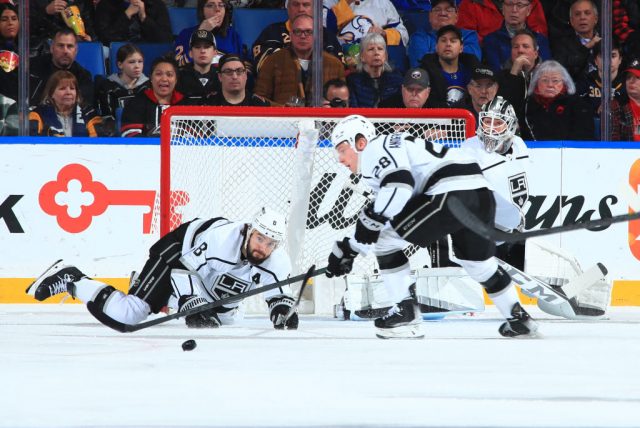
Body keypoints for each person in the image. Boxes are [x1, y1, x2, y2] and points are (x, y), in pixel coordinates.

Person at [326, 114, 538, 339]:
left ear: (360, 142)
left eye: (341, 148)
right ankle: (518, 317)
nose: (340, 158)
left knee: (384, 241)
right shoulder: (393, 149)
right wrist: (349, 247)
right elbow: (392, 208)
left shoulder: (374, 149)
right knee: (478, 263)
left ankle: (405, 315)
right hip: (480, 193)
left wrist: (358, 238)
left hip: (449, 193)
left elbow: (399, 186)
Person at [27, 208, 299, 331]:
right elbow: (182, 267)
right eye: (260, 238)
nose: (263, 247)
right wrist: (191, 301)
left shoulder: (277, 260)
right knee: (129, 314)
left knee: (225, 320)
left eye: (270, 243)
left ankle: (163, 296)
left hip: (202, 270)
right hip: (178, 251)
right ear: (249, 231)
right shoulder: (221, 239)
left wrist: (281, 312)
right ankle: (72, 278)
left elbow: (279, 294)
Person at [253, 14, 345, 106]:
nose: (303, 36)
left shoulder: (335, 65)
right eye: (298, 31)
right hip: (283, 119)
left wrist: (329, 107)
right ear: (290, 35)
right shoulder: (273, 61)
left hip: (322, 119)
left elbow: (343, 102)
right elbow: (260, 99)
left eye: (308, 31)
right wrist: (283, 109)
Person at [252, 0, 342, 72]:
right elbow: (262, 66)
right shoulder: (272, 32)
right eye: (296, 4)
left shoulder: (327, 35)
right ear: (288, 8)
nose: (301, 9)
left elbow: (338, 68)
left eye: (306, 5)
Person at [522, 59, 593, 141]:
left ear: (564, 83)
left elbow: (583, 137)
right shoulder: (527, 105)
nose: (550, 85)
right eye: (544, 80)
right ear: (536, 83)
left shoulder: (578, 105)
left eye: (555, 80)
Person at [29, 70, 111, 137]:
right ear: (51, 94)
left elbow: (98, 143)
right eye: (62, 89)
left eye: (72, 88)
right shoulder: (38, 114)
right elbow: (33, 143)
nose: (68, 92)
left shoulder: (88, 114)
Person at [28, 27, 95, 108]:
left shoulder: (83, 76)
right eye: (61, 46)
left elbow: (84, 106)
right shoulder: (32, 67)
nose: (65, 51)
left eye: (70, 46)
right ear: (52, 48)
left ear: (76, 51)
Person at [120, 56, 185, 137]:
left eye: (169, 75)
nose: (164, 79)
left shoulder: (186, 104)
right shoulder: (136, 103)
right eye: (158, 74)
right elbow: (129, 135)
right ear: (151, 78)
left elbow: (196, 135)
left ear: (176, 80)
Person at [418, 25, 481, 107]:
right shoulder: (424, 74)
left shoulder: (473, 72)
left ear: (461, 48)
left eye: (453, 41)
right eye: (443, 40)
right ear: (436, 47)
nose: (448, 44)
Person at [481, 0, 551, 73]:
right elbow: (496, 75)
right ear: (503, 9)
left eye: (519, 5)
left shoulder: (540, 40)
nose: (514, 10)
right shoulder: (491, 40)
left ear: (528, 10)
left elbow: (545, 72)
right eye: (509, 4)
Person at [407, 0, 481, 68]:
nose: (443, 13)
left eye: (448, 10)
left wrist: (434, 55)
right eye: (437, 9)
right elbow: (420, 67)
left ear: (456, 16)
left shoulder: (469, 36)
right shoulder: (419, 37)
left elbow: (472, 64)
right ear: (430, 16)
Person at [174, 0, 244, 67]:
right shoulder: (186, 34)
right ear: (202, 11)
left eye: (221, 5)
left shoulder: (233, 36)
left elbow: (242, 67)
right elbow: (179, 65)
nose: (217, 9)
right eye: (210, 5)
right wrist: (200, 33)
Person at [497, 29, 541, 132]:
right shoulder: (501, 76)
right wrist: (514, 71)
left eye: (525, 46)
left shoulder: (546, 75)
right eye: (516, 47)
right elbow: (502, 107)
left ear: (535, 53)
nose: (520, 50)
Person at [95, 43, 150, 122]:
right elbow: (107, 117)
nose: (137, 66)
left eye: (140, 61)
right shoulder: (108, 86)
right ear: (120, 64)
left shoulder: (149, 86)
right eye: (132, 62)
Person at [346, 33, 402, 108]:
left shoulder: (396, 79)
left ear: (385, 56)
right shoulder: (353, 81)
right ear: (362, 57)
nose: (376, 53)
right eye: (371, 49)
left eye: (380, 49)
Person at [323, 0, 409, 48]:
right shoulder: (329, 2)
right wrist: (347, 3)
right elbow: (323, 29)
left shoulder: (383, 3)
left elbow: (403, 35)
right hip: (341, 57)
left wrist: (384, 34)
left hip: (375, 58)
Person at [576, 40, 625, 121]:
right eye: (603, 56)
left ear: (620, 60)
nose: (608, 60)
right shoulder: (585, 81)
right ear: (595, 60)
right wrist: (595, 111)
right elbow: (576, 109)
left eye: (613, 56)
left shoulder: (627, 83)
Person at [457, 0, 548, 44]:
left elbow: (539, 35)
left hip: (525, 54)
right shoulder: (470, 3)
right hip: (485, 58)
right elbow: (467, 38)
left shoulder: (530, 3)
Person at [551, 0, 600, 80]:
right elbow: (565, 73)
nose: (582, 17)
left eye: (587, 13)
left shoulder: (606, 40)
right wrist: (587, 47)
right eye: (577, 14)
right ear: (572, 21)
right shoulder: (561, 44)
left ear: (596, 19)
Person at [30, 0, 97, 54]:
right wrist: (46, 11)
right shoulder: (38, 2)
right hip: (45, 45)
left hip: (78, 44)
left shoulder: (85, 2)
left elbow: (91, 27)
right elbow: (28, 28)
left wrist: (89, 37)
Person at [203, 53, 270, 106]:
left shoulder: (259, 104)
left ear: (246, 75)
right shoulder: (208, 103)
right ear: (220, 76)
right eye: (228, 71)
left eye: (239, 71)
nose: (234, 77)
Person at [94, 0, 173, 44]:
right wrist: (127, 14)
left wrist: (144, 17)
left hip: (150, 51)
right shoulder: (106, 5)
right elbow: (105, 39)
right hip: (121, 53)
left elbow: (165, 40)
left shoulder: (156, 4)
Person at [177, 29, 221, 102]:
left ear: (215, 53)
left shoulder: (222, 76)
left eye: (207, 47)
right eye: (197, 47)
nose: (202, 51)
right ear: (190, 53)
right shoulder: (179, 76)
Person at [611, 58, 640, 141]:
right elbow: (613, 141)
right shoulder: (616, 106)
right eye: (628, 77)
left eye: (637, 77)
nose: (631, 81)